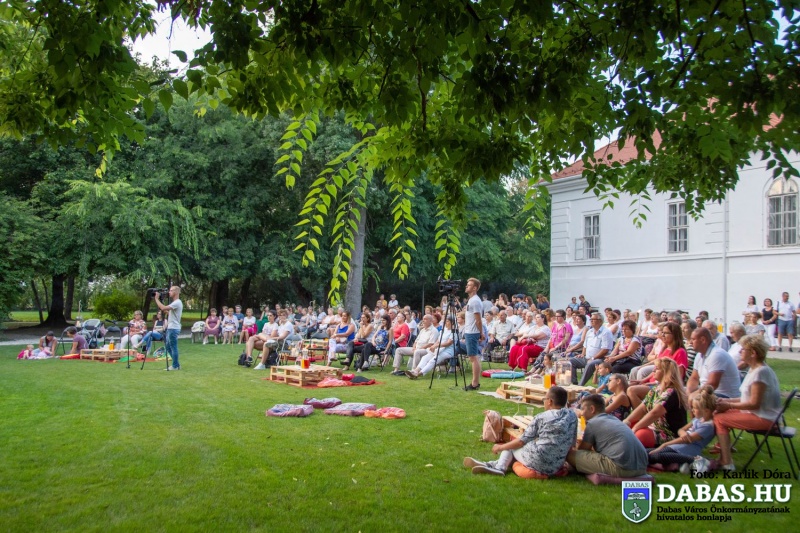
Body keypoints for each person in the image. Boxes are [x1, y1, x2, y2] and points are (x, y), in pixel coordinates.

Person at [464, 386, 577, 476]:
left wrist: (499, 447)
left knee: (512, 445)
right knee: (523, 446)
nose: (544, 401)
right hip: (556, 465)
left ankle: (500, 468)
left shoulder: (541, 417)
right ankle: (490, 464)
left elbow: (521, 442)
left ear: (550, 401)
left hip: (540, 461)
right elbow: (572, 443)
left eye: (544, 399)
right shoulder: (572, 416)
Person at [713, 335, 783, 472]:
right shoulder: (755, 369)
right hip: (759, 414)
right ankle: (724, 456)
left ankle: (726, 462)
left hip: (766, 418)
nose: (740, 352)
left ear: (753, 353)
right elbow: (746, 398)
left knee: (719, 419)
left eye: (743, 349)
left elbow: (753, 404)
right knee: (718, 413)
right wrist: (726, 401)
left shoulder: (761, 373)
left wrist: (729, 405)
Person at [567, 393, 648, 477]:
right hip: (642, 468)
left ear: (592, 409)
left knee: (570, 454)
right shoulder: (614, 419)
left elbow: (583, 450)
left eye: (583, 409)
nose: (582, 413)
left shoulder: (592, 423)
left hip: (622, 468)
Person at [647, 385, 717, 471]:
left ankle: (696, 460)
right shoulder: (698, 419)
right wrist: (683, 434)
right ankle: (678, 464)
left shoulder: (708, 426)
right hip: (678, 446)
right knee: (646, 452)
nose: (692, 410)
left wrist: (665, 444)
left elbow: (688, 440)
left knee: (655, 456)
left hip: (688, 449)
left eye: (695, 408)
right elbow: (681, 430)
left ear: (706, 410)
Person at [624, 358, 688, 448]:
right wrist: (626, 422)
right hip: (653, 427)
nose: (653, 370)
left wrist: (635, 428)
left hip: (668, 433)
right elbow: (642, 408)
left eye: (657, 368)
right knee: (627, 427)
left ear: (666, 372)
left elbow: (655, 413)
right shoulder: (655, 389)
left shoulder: (671, 392)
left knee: (640, 435)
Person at [686, 327, 741, 399]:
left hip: (724, 396)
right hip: (708, 393)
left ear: (703, 340)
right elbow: (694, 378)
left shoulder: (717, 354)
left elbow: (712, 384)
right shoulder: (699, 355)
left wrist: (694, 395)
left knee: (695, 399)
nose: (690, 342)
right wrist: (689, 392)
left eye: (693, 339)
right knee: (677, 394)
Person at [572, 312, 615, 386]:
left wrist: (593, 358)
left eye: (593, 319)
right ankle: (574, 383)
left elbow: (605, 350)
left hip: (600, 359)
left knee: (590, 364)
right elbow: (585, 345)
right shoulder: (589, 331)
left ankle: (580, 385)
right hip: (587, 357)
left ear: (600, 321)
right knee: (571, 361)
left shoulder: (606, 333)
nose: (591, 321)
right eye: (591, 319)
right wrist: (582, 354)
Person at [463, 277, 485, 391]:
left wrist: (481, 333)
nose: (466, 286)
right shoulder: (471, 300)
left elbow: (478, 320)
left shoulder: (475, 301)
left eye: (469, 285)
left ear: (475, 288)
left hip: (472, 332)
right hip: (470, 331)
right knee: (473, 357)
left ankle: (474, 383)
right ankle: (475, 382)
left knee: (473, 358)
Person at [155, 286, 183, 371]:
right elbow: (169, 312)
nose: (169, 292)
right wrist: (165, 309)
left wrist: (156, 299)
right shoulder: (175, 303)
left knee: (173, 347)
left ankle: (175, 366)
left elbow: (163, 308)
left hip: (173, 328)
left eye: (171, 290)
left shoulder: (177, 302)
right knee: (168, 347)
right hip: (171, 327)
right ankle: (176, 364)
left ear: (176, 292)